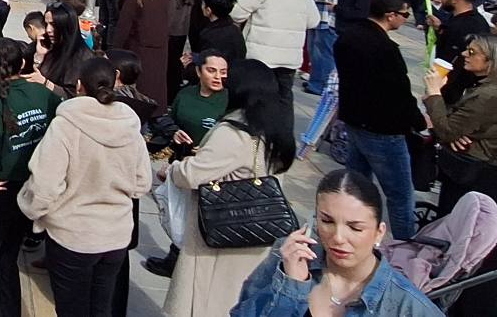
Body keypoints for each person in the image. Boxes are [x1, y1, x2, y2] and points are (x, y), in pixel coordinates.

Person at [19, 56, 152, 317]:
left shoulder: (64, 127)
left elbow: (44, 186)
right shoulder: (130, 127)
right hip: (115, 237)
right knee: (101, 307)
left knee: (71, 309)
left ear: (79, 86)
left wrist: (32, 210)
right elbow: (142, 183)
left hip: (73, 236)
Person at [166, 57, 298, 317]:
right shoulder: (276, 128)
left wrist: (173, 169)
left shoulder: (234, 132)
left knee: (208, 302)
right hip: (257, 230)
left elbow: (192, 175)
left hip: (221, 232)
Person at [230, 169, 445, 317]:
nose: (338, 237)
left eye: (355, 227)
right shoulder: (288, 258)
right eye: (327, 221)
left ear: (379, 233)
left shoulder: (406, 305)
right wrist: (291, 287)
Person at [330, 0, 424, 240]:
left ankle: (349, 227)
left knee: (355, 185)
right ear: (390, 15)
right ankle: (405, 244)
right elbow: (400, 93)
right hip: (383, 129)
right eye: (404, 15)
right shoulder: (385, 48)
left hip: (354, 119)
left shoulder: (347, 38)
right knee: (400, 194)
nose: (405, 19)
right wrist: (420, 121)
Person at [0, 38, 60, 317]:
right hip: (32, 186)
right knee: (8, 257)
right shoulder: (44, 95)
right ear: (23, 64)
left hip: (1, 189)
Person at [142, 50, 230, 278]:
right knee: (180, 216)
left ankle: (190, 265)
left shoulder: (229, 100)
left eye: (223, 72)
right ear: (199, 71)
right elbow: (169, 119)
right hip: (183, 164)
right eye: (212, 70)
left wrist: (213, 147)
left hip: (211, 170)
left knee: (200, 218)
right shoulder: (186, 94)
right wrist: (175, 133)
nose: (218, 76)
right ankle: (176, 259)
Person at [422, 35, 497, 211]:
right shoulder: (489, 89)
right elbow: (455, 125)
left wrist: (433, 93)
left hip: (480, 175)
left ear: (492, 61)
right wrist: (454, 132)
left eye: (471, 52)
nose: (464, 54)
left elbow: (446, 130)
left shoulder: (489, 95)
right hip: (475, 168)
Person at [231, 0, 317, 98]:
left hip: (261, 54)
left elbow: (236, 13)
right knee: (284, 97)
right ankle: (282, 122)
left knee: (258, 96)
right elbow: (313, 21)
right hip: (290, 56)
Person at [113, 0, 181, 105]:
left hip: (138, 48)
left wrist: (114, 51)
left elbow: (123, 28)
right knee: (157, 83)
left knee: (141, 87)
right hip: (160, 46)